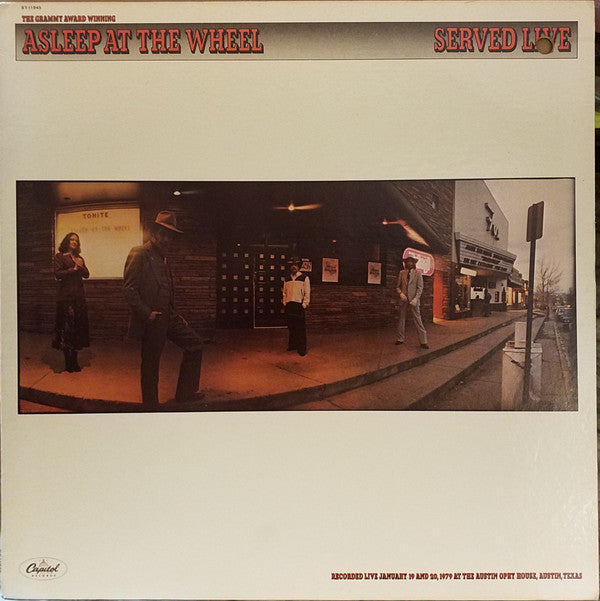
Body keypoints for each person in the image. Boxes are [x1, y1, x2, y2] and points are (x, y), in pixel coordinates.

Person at [123, 211, 204, 409]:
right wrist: (147, 314)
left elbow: (165, 291)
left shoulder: (163, 258)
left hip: (169, 317)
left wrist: (176, 315)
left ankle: (185, 393)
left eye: (171, 236)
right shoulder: (139, 253)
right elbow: (129, 289)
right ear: (153, 233)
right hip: (153, 319)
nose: (167, 239)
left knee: (195, 344)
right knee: (150, 364)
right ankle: (151, 406)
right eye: (164, 234)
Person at [52, 232, 90, 372]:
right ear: (67, 241)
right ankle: (68, 362)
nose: (74, 242)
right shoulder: (60, 256)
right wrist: (73, 269)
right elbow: (57, 274)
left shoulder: (79, 258)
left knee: (77, 329)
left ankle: (74, 361)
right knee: (67, 329)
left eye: (76, 240)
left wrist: (81, 266)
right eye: (72, 239)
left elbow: (86, 275)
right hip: (66, 298)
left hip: (78, 298)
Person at [395, 255, 429, 349]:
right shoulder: (402, 273)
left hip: (414, 300)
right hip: (404, 299)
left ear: (414, 263)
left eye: (411, 261)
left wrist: (416, 299)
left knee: (418, 319)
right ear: (405, 263)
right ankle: (400, 338)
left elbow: (420, 288)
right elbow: (397, 286)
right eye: (408, 261)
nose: (409, 263)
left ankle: (423, 341)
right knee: (401, 319)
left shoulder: (418, 273)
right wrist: (401, 293)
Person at [282, 257, 310, 356]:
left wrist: (304, 304)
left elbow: (307, 292)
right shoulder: (287, 279)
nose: (293, 267)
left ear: (299, 266)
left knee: (300, 328)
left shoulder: (304, 278)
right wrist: (285, 302)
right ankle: (293, 345)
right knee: (291, 327)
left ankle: (301, 348)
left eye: (296, 265)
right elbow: (284, 292)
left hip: (299, 305)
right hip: (289, 305)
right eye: (292, 265)